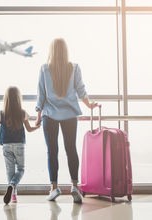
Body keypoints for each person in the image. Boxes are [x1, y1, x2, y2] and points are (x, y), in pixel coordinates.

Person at [35, 38, 97, 203]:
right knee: (71, 149)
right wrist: (89, 105)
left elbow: (41, 95)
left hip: (50, 115)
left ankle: (54, 188)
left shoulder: (44, 69)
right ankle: (74, 186)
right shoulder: (74, 68)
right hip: (69, 115)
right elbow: (81, 90)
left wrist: (38, 114)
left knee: (52, 151)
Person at [0, 86, 40, 204]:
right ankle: (12, 186)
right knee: (20, 169)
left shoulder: (2, 113)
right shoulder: (23, 113)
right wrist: (39, 125)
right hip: (19, 145)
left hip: (6, 145)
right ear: (18, 99)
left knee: (10, 171)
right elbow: (30, 129)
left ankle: (13, 195)